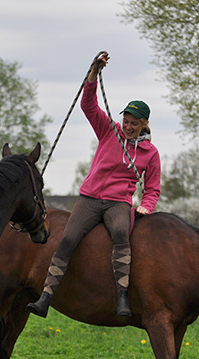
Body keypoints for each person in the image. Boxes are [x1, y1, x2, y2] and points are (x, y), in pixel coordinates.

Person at [27, 52, 161, 318]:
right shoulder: (108, 129)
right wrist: (94, 73)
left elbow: (153, 188)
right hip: (89, 198)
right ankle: (46, 296)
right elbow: (88, 105)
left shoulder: (150, 153)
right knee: (67, 239)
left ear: (144, 124)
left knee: (122, 234)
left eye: (134, 123)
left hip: (118, 202)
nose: (128, 126)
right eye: (126, 121)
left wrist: (147, 206)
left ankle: (122, 297)